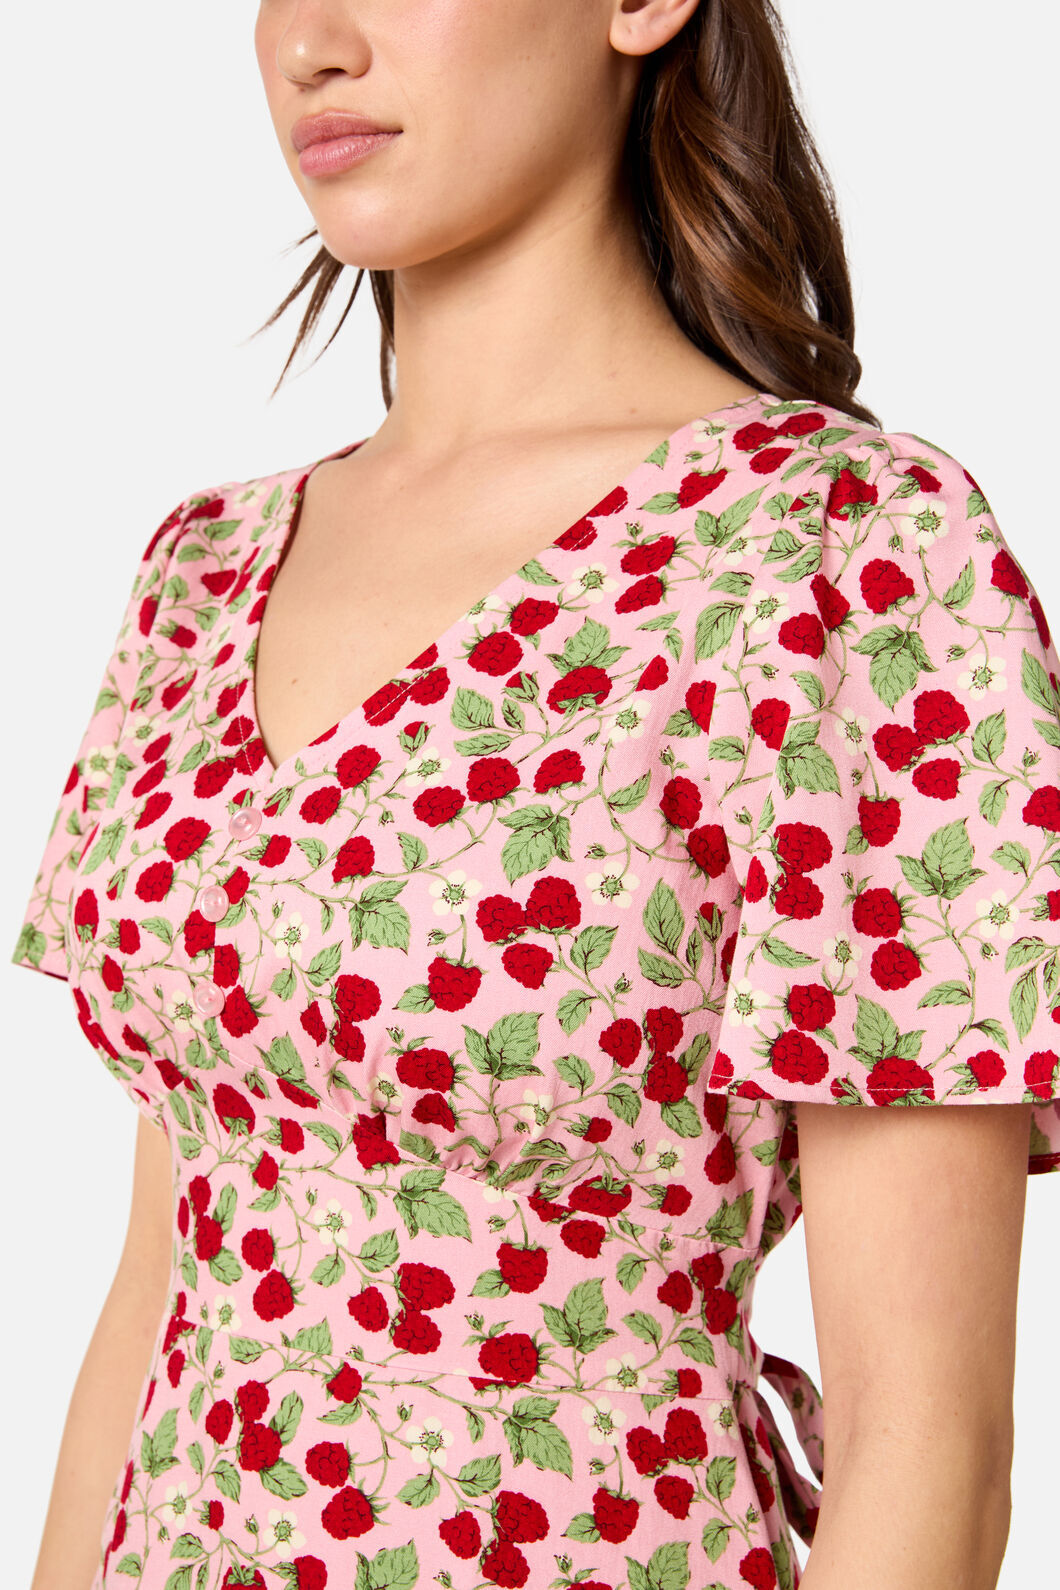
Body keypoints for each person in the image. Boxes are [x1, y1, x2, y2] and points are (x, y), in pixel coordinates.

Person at [13, 2, 1059, 1587]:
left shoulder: (844, 556)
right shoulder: (201, 568)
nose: (311, 44)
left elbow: (931, 1448)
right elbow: (159, 1287)